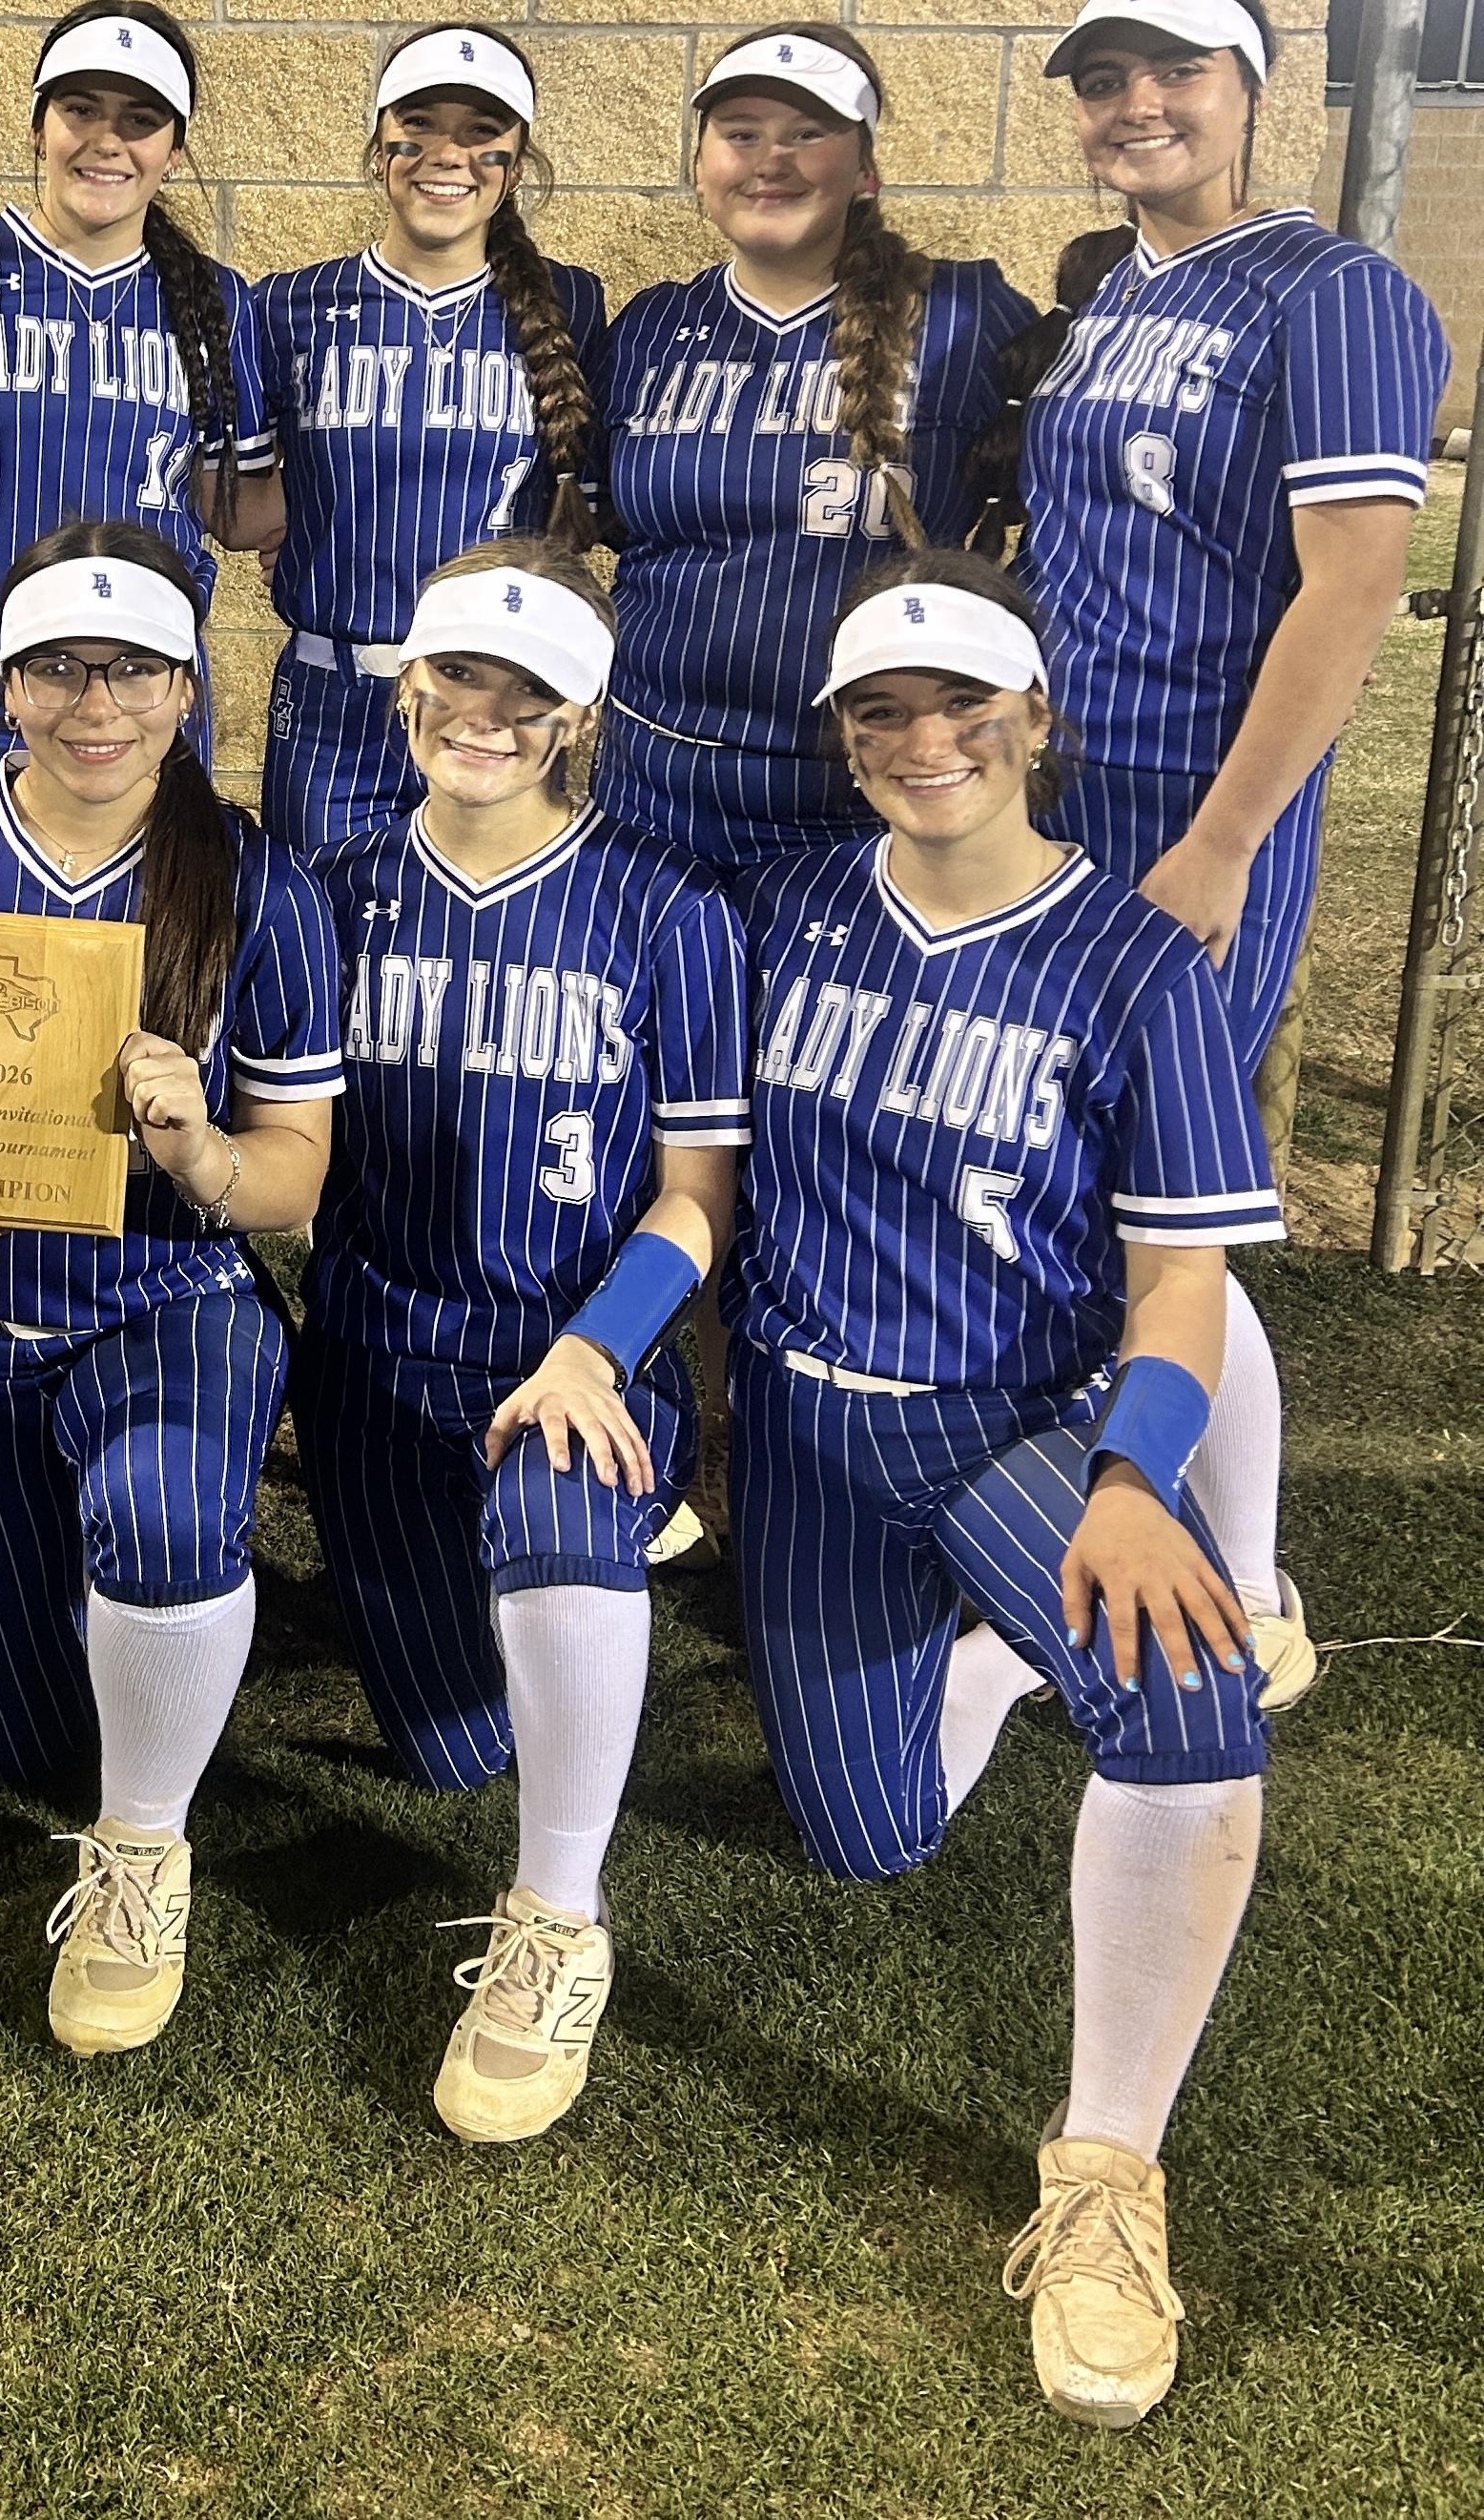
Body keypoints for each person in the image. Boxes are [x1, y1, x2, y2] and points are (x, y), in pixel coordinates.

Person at [732, 549, 1280, 2429]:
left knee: (1185, 1687)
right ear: (842, 735)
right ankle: (993, 1648)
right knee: (863, 1836)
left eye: (962, 703)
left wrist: (1133, 1475)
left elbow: (1182, 1277)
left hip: (1015, 1423)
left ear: (1034, 717)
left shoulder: (1133, 958)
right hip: (807, 1430)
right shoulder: (787, 905)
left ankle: (1106, 2169)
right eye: (881, 710)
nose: (924, 740)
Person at [0, 522, 340, 2055]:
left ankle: (144, 1846)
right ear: (6, 683)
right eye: (59, 669)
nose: (98, 706)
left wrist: (203, 1149)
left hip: (165, 1298)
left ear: (188, 686)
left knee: (158, 1517)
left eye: (136, 670)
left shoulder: (259, 881)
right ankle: (123, 1632)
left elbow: (293, 1175)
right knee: (26, 1740)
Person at [1000, 0, 1453, 1707]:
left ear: (1252, 87)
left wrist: (1223, 837)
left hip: (1191, 799)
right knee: (1068, 1184)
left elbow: (1349, 588)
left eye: (1173, 71)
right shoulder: (1110, 288)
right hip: (1059, 794)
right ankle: (1085, 1526)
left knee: (1157, 1204)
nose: (1136, 106)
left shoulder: (1335, 293)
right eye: (1102, 78)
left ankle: (1249, 1580)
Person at [293, 542, 746, 2140]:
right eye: (455, 679)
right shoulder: (328, 887)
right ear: (406, 685)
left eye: (524, 691)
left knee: (557, 1506)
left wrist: (595, 1348)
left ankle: (557, 1916)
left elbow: (695, 1191)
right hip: (369, 1355)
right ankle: (559, 1604)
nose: (481, 715)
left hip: (562, 1351)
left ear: (579, 714)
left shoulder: (667, 902)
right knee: (449, 1745)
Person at [589, 25, 1036, 872]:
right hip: (650, 790)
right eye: (742, 133)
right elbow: (603, 519)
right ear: (700, 166)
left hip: (869, 801)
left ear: (864, 169)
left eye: (807, 133)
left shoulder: (964, 317)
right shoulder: (651, 326)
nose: (772, 160)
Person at [0, 0, 275, 806]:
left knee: (139, 896)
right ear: (40, 125)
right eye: (81, 109)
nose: (107, 139)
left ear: (174, 151)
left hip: (136, 701)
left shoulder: (217, 303)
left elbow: (236, 509)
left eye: (140, 120)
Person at [249, 27, 608, 854]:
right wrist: (314, 536)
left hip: (498, 704)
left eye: (481, 133)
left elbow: (585, 510)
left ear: (516, 164)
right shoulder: (290, 306)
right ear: (380, 147)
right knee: (321, 923)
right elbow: (245, 502)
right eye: (420, 125)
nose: (448, 154)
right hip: (335, 700)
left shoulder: (573, 305)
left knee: (482, 921)